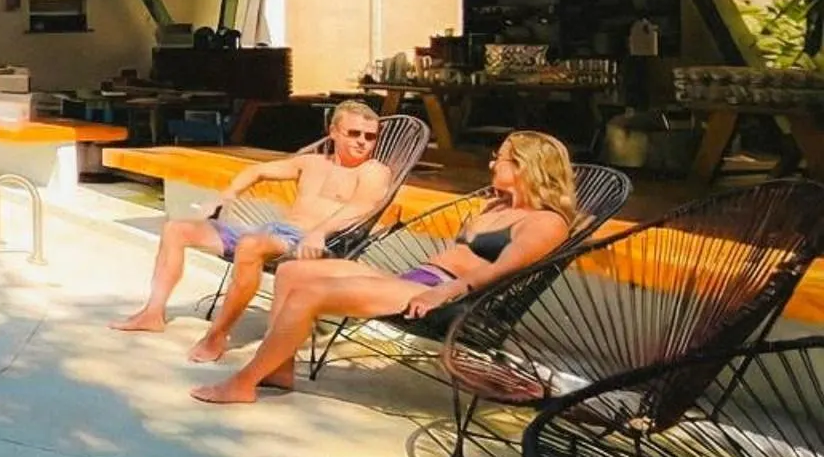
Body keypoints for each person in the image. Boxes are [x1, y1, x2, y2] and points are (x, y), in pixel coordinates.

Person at [191, 130, 578, 404]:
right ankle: (281, 369)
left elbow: (501, 270)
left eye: (501, 157)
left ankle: (245, 382)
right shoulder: (497, 206)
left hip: (452, 299)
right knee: (294, 272)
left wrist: (447, 290)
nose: (493, 162)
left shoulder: (545, 222)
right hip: (419, 279)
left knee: (311, 293)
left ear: (526, 166)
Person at [112, 101, 393, 358]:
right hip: (273, 231)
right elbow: (257, 172)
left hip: (313, 242)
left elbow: (361, 208)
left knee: (251, 245)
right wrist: (224, 196)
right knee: (176, 228)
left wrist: (320, 232)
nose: (362, 142)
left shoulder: (373, 171)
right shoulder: (311, 163)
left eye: (370, 137)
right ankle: (152, 314)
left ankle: (217, 336)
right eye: (354, 133)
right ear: (334, 131)